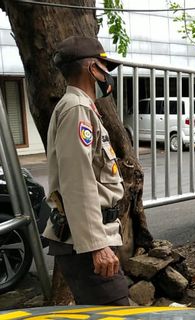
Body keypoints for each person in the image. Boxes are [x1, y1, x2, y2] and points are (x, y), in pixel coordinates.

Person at [43, 36, 129, 305]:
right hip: (86, 242)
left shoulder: (83, 109)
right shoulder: (76, 108)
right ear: (92, 68)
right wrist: (97, 245)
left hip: (91, 236)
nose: (107, 76)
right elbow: (77, 181)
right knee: (116, 311)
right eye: (105, 69)